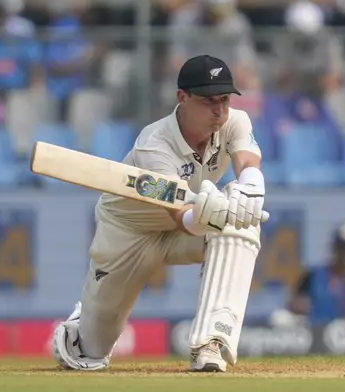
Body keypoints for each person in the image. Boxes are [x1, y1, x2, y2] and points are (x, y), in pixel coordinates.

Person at [51, 55, 266, 373]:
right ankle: (79, 330)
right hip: (128, 234)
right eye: (208, 101)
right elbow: (182, 216)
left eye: (224, 99)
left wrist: (250, 186)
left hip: (184, 225)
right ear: (183, 98)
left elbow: (247, 163)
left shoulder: (234, 121)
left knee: (240, 223)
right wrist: (206, 214)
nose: (219, 110)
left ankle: (210, 342)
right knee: (90, 354)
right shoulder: (153, 146)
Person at [288, 222, 345, 325]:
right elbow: (295, 304)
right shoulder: (313, 276)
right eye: (342, 246)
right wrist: (306, 307)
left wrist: (342, 325)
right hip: (315, 332)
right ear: (334, 248)